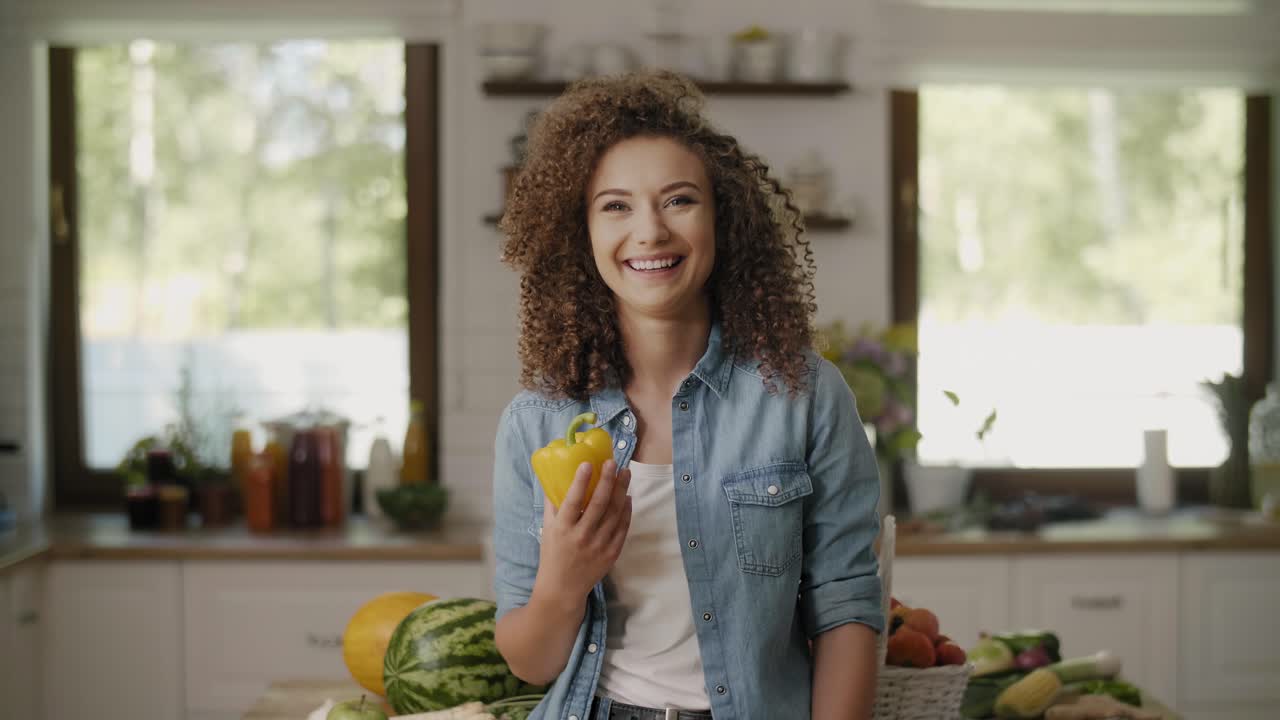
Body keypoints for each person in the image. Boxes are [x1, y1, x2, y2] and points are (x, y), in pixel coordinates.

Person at [491, 70, 883, 720]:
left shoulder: (804, 393)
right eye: (615, 205)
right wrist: (563, 583)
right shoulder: (535, 421)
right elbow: (529, 663)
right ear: (579, 231)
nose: (649, 231)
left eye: (678, 200)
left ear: (721, 219)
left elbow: (846, 604)